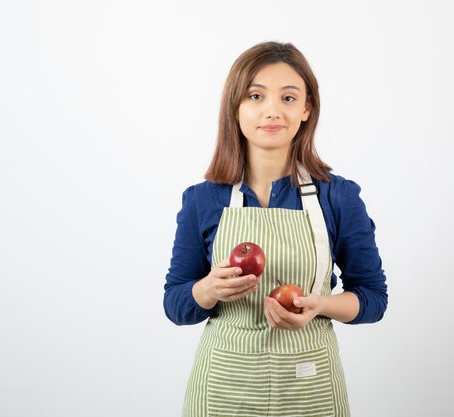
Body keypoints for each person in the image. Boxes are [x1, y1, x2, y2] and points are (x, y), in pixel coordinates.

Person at [163, 41, 387, 417]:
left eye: (287, 97)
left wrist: (321, 306)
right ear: (236, 107)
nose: (272, 111)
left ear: (306, 109)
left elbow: (373, 298)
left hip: (308, 386)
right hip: (224, 389)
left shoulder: (339, 197)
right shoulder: (203, 200)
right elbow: (176, 305)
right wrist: (207, 289)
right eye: (255, 95)